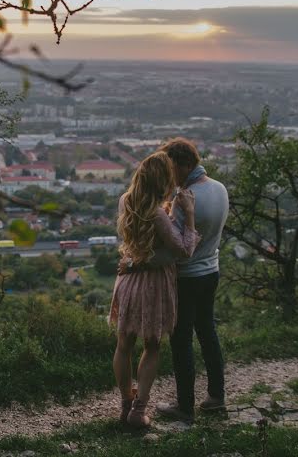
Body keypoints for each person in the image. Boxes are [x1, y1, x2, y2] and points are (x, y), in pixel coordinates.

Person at [120, 138, 229, 423]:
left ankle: (185, 405)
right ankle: (217, 396)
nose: (170, 176)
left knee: (181, 341)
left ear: (182, 165)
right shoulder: (220, 189)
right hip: (211, 271)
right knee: (208, 332)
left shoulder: (184, 199)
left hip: (186, 276)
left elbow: (174, 251)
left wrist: (133, 264)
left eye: (172, 169)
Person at [109, 151, 200, 428]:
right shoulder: (157, 214)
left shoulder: (126, 201)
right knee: (151, 345)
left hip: (127, 280)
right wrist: (190, 216)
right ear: (162, 180)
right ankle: (139, 411)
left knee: (123, 343)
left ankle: (125, 404)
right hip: (153, 284)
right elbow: (183, 250)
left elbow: (143, 242)